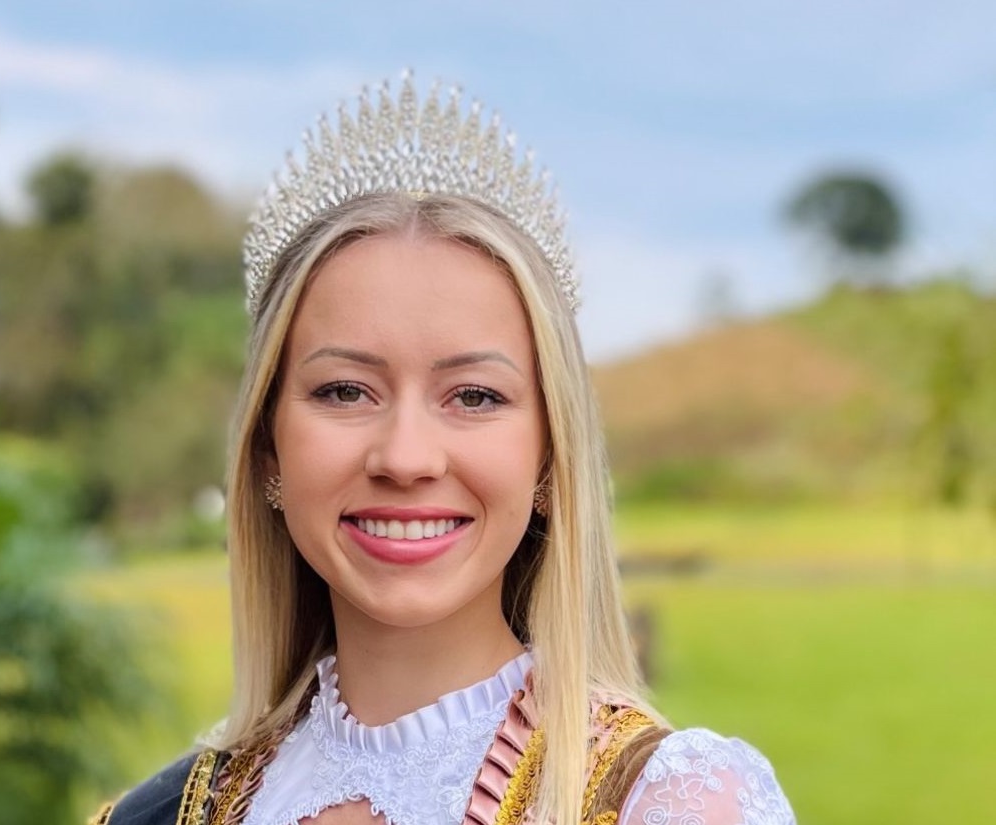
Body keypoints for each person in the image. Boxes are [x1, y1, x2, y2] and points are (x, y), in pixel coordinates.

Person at [90, 73, 796, 825]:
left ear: (550, 461)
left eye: (474, 396)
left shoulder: (670, 803)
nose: (405, 456)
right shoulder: (169, 811)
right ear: (268, 451)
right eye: (344, 391)